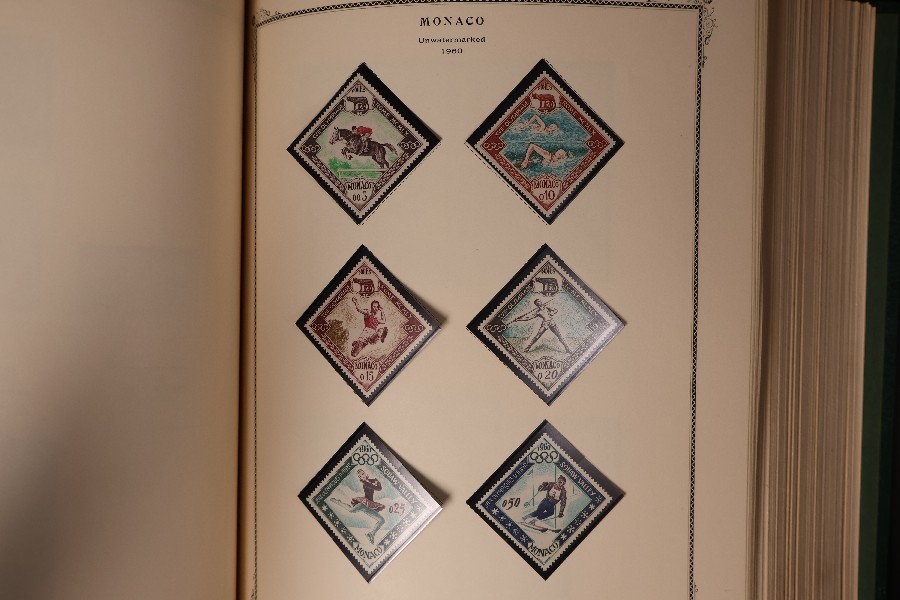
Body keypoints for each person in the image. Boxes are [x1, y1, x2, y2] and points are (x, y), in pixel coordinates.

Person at [330, 469, 387, 544]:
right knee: (351, 510)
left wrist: (377, 482)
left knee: (381, 520)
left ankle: (371, 534)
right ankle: (337, 501)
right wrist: (377, 482)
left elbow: (379, 487)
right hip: (364, 503)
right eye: (360, 476)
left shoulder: (371, 480)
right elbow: (377, 488)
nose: (362, 476)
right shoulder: (366, 483)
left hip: (370, 506)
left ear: (365, 473)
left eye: (362, 474)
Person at [506, 298, 572, 354]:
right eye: (537, 302)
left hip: (552, 323)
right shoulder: (538, 312)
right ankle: (527, 348)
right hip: (545, 324)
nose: (539, 302)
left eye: (539, 301)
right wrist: (519, 319)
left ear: (541, 302)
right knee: (537, 336)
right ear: (536, 304)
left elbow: (555, 310)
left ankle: (567, 349)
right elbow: (528, 318)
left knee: (559, 336)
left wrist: (552, 312)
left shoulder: (547, 307)